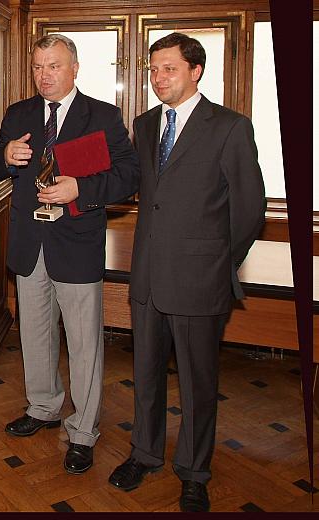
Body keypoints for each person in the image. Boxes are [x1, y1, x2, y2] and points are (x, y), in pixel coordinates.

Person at [107, 33, 265, 512]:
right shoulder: (145, 123)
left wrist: (217, 264)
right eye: (153, 70)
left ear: (196, 71)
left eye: (168, 69)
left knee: (198, 385)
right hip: (149, 276)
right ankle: (145, 453)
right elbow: (143, 190)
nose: (158, 78)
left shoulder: (230, 127)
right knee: (145, 374)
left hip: (201, 280)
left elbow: (250, 210)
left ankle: (194, 471)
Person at [0, 34, 139, 474]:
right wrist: (6, 156)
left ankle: (83, 431)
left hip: (77, 244)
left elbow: (128, 176)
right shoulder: (19, 114)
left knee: (85, 344)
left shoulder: (102, 116)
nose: (44, 75)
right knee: (34, 336)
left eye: (53, 66)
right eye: (37, 67)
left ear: (74, 68)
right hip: (30, 246)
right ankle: (43, 407)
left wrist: (81, 189)